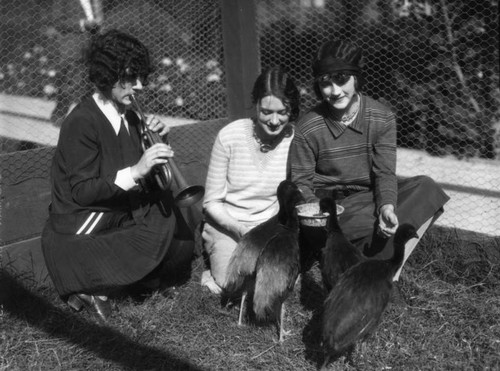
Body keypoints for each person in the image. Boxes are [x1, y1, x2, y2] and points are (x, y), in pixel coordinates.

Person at [41, 29, 194, 321]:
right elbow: (83, 192)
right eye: (129, 78)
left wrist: (160, 143)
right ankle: (93, 285)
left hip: (112, 207)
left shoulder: (131, 116)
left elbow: (147, 181)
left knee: (169, 213)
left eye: (140, 77)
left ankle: (128, 279)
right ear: (106, 75)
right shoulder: (81, 122)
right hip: (79, 218)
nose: (138, 86)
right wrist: (137, 170)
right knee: (159, 223)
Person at [288, 40, 450, 295]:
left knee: (427, 189)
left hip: (367, 201)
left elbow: (384, 173)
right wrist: (321, 213)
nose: (335, 91)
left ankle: (383, 270)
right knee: (367, 224)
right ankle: (368, 269)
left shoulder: (382, 117)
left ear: (356, 78)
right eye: (325, 83)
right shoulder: (308, 127)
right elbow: (301, 183)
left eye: (342, 80)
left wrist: (387, 206)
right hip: (329, 210)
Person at [201, 66, 301, 294]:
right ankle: (213, 271)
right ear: (255, 104)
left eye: (282, 112)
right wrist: (238, 228)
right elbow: (211, 203)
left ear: (291, 110)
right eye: (266, 112)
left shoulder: (295, 139)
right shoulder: (230, 136)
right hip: (228, 226)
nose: (274, 121)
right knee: (235, 284)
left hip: (270, 227)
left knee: (277, 286)